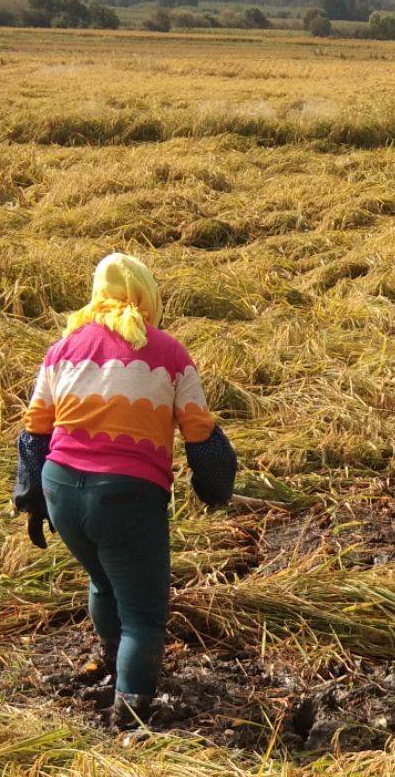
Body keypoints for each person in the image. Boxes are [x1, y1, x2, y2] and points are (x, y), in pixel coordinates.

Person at [13, 253, 237, 726]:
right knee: (143, 615)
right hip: (126, 495)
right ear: (147, 293)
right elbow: (200, 431)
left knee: (104, 581)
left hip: (60, 487)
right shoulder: (169, 353)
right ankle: (130, 715)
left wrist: (31, 496)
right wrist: (216, 487)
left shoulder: (62, 349)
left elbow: (34, 431)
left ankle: (113, 660)